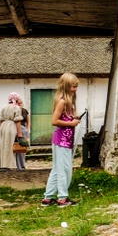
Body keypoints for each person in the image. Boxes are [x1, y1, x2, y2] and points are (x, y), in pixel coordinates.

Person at [42, 73, 83, 206]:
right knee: (64, 169)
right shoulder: (62, 101)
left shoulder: (69, 102)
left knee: (57, 169)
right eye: (73, 87)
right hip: (62, 140)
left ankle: (47, 198)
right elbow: (54, 121)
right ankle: (62, 198)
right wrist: (71, 123)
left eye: (76, 86)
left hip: (65, 140)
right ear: (65, 86)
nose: (75, 89)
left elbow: (64, 118)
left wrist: (73, 118)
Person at [0, 93, 24, 171]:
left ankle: (1, 164)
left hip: (3, 127)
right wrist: (19, 133)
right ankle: (8, 164)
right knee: (9, 146)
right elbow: (17, 121)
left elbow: (1, 120)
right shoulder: (16, 108)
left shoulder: (4, 107)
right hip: (11, 126)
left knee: (2, 145)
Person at [14, 106, 31, 171]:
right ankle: (16, 165)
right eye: (19, 103)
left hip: (23, 130)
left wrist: (28, 129)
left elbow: (28, 121)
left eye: (21, 103)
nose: (20, 104)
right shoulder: (14, 110)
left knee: (21, 148)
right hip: (15, 129)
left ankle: (21, 165)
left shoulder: (25, 111)